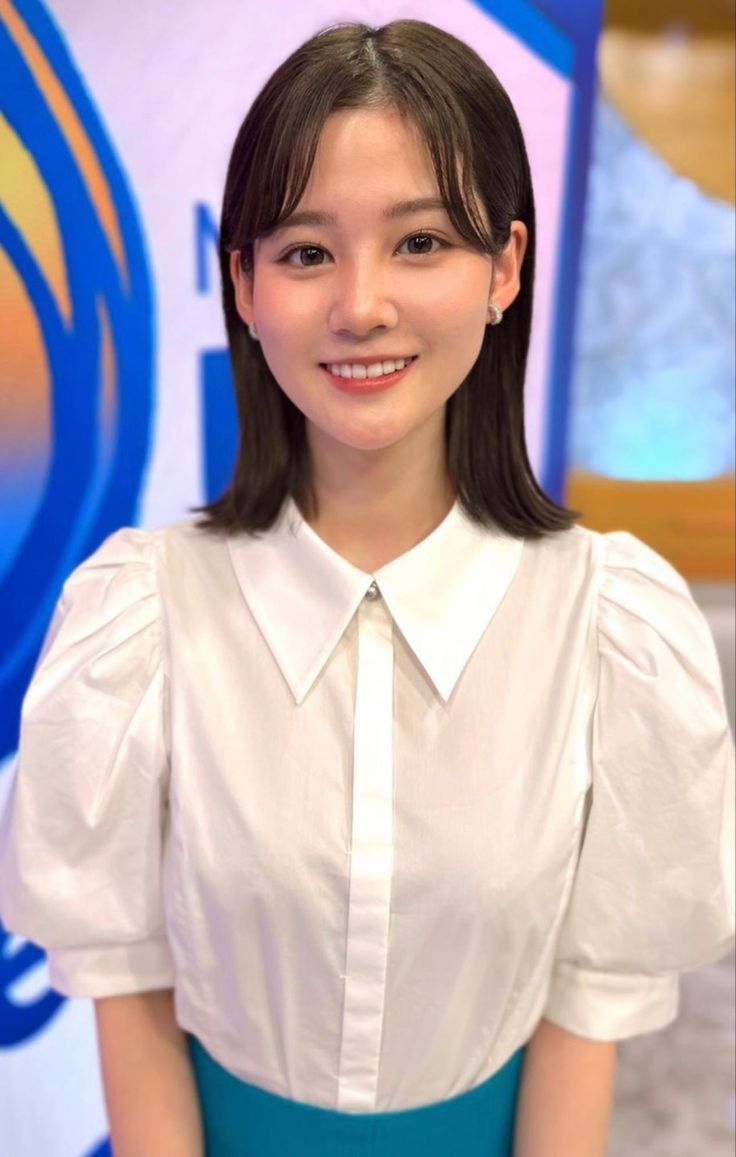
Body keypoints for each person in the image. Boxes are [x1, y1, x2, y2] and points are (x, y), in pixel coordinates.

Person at [0, 18, 733, 1157]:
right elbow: (126, 985)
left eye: (420, 242)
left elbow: (585, 1011)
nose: (360, 305)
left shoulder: (608, 628)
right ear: (243, 285)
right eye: (305, 253)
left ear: (504, 268)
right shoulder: (141, 618)